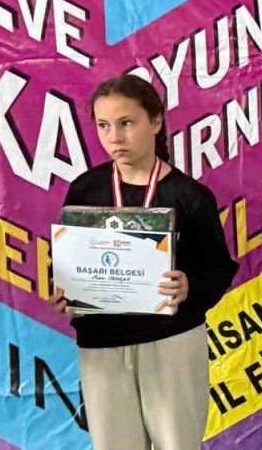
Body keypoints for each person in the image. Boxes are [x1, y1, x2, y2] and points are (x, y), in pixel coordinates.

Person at [48, 74, 237, 450]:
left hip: (171, 342)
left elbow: (219, 269)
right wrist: (65, 291)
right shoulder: (85, 189)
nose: (115, 137)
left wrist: (189, 286)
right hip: (102, 344)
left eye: (126, 123)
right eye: (104, 125)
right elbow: (66, 259)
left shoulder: (189, 196)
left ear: (155, 121)